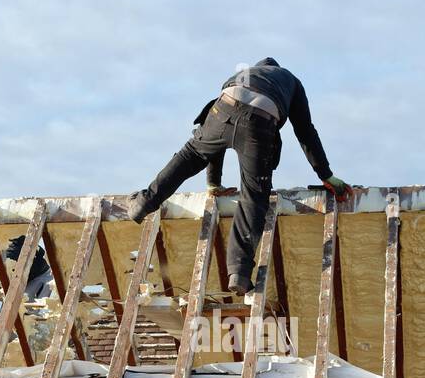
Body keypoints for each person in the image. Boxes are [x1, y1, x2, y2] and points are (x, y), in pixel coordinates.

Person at [127, 59, 351, 294]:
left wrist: (213, 183)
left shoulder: (244, 74)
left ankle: (144, 202)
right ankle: (239, 273)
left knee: (191, 153)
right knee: (254, 196)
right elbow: (305, 132)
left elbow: (213, 136)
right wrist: (326, 174)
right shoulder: (292, 83)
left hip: (223, 107)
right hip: (260, 121)